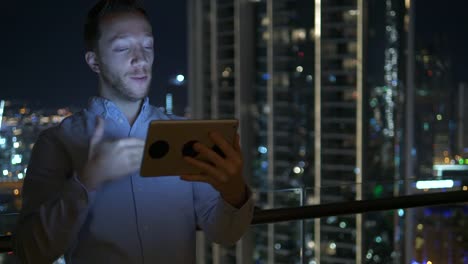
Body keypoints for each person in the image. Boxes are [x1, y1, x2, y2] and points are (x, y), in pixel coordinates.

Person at [13, 0, 254, 263]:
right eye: (123, 47)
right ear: (94, 62)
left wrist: (234, 192)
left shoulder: (184, 135)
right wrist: (86, 182)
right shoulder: (58, 143)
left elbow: (225, 234)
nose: (140, 58)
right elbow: (29, 252)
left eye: (148, 46)